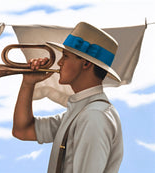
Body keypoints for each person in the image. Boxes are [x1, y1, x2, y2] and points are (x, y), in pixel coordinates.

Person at [12, 22, 123, 173]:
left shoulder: (93, 116)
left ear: (85, 64)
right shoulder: (82, 111)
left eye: (65, 56)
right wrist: (28, 84)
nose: (59, 62)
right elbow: (23, 130)